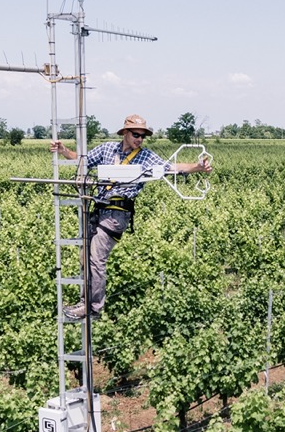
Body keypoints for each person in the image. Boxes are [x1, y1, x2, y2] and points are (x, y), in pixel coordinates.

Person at [51, 114, 212, 320]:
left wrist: (197, 167)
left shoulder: (146, 157)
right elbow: (82, 161)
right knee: (85, 257)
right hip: (98, 209)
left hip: (117, 214)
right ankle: (85, 301)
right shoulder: (107, 149)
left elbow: (171, 168)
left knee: (96, 259)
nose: (139, 139)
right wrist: (64, 150)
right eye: (136, 134)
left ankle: (92, 307)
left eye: (143, 136)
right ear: (125, 133)